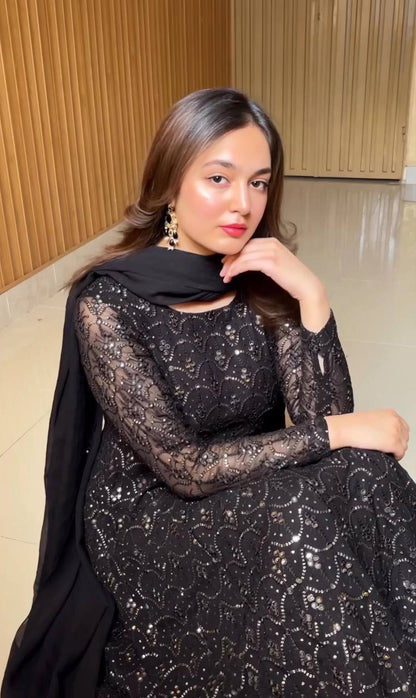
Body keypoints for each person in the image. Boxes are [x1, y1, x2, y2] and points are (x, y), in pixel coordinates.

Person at [2, 88, 414, 698]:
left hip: (250, 472)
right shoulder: (109, 302)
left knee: (368, 474)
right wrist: (336, 432)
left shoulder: (259, 278)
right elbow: (185, 467)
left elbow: (323, 418)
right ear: (172, 182)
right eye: (219, 178)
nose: (243, 204)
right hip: (151, 510)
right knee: (297, 512)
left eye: (259, 183)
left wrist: (313, 298)